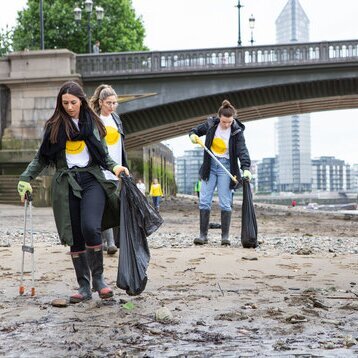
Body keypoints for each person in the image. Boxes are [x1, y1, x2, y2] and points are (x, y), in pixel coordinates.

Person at [17, 81, 129, 304]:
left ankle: (99, 280)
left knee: (90, 226)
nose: (69, 107)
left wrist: (115, 167)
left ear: (82, 101)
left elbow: (104, 155)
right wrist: (25, 178)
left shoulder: (92, 123)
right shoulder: (55, 126)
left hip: (92, 180)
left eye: (73, 102)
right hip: (66, 183)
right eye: (65, 103)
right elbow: (42, 157)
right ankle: (84, 286)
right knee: (74, 234)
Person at [189, 99, 252, 246]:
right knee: (204, 200)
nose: (226, 125)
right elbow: (195, 131)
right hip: (210, 166)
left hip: (226, 168)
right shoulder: (211, 125)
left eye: (229, 122)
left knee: (225, 202)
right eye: (224, 122)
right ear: (219, 118)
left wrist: (246, 168)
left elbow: (242, 151)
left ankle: (225, 237)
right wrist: (193, 136)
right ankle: (203, 236)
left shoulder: (236, 131)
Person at [90, 84, 128, 255]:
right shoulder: (95, 119)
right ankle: (110, 242)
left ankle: (108, 240)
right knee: (107, 202)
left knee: (114, 203)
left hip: (117, 167)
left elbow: (122, 145)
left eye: (115, 103)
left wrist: (123, 166)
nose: (112, 107)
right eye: (109, 103)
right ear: (101, 102)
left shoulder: (117, 119)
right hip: (101, 168)